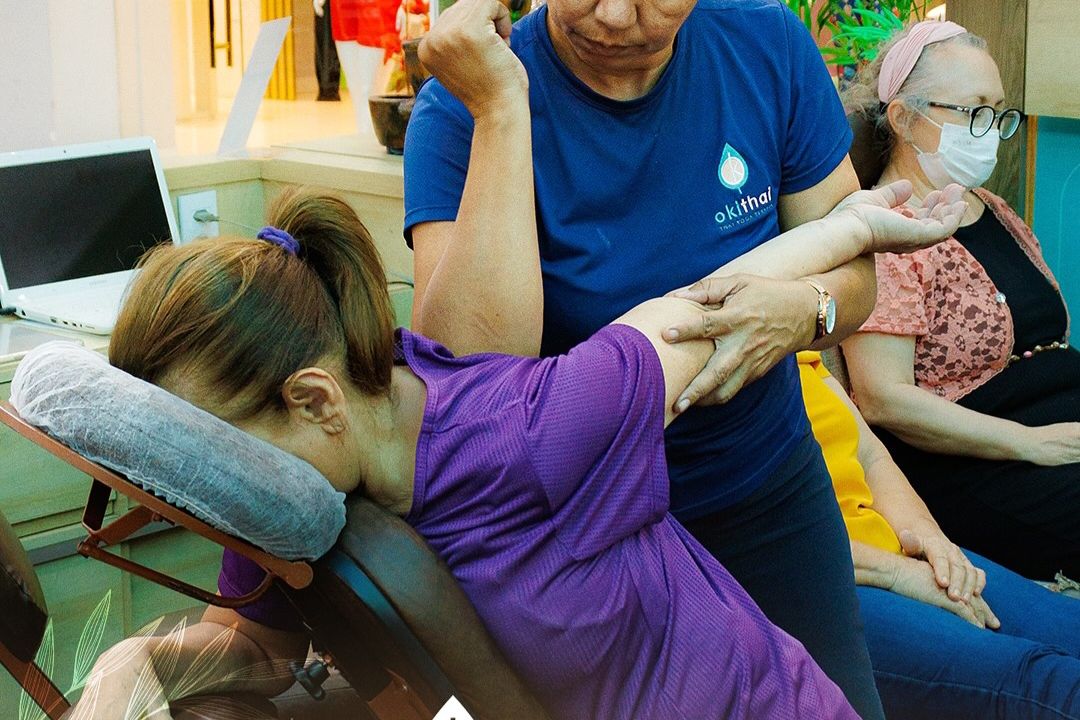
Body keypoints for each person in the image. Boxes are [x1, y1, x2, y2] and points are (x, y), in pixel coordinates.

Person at [70, 184, 962, 719]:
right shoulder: (285, 481)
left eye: (211, 457)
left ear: (315, 400)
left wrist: (858, 228)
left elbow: (704, 304)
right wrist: (133, 666)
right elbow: (258, 644)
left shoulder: (535, 430)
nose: (209, 486)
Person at [401, 0, 908, 712]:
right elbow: (471, 381)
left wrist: (804, 311)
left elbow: (852, 274)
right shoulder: (466, 102)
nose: (615, 17)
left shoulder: (764, 45)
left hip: (766, 494)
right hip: (589, 532)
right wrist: (501, 111)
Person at [840, 19, 1080, 580]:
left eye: (998, 113)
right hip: (976, 466)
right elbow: (882, 398)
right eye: (974, 112)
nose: (990, 131)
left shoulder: (994, 210)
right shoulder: (883, 231)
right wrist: (1031, 443)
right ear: (905, 119)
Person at [799, 350, 1080, 720]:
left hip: (896, 551)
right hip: (821, 587)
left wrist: (931, 542)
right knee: (1051, 685)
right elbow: (755, 544)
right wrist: (896, 573)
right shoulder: (723, 370)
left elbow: (870, 457)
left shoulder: (790, 350)